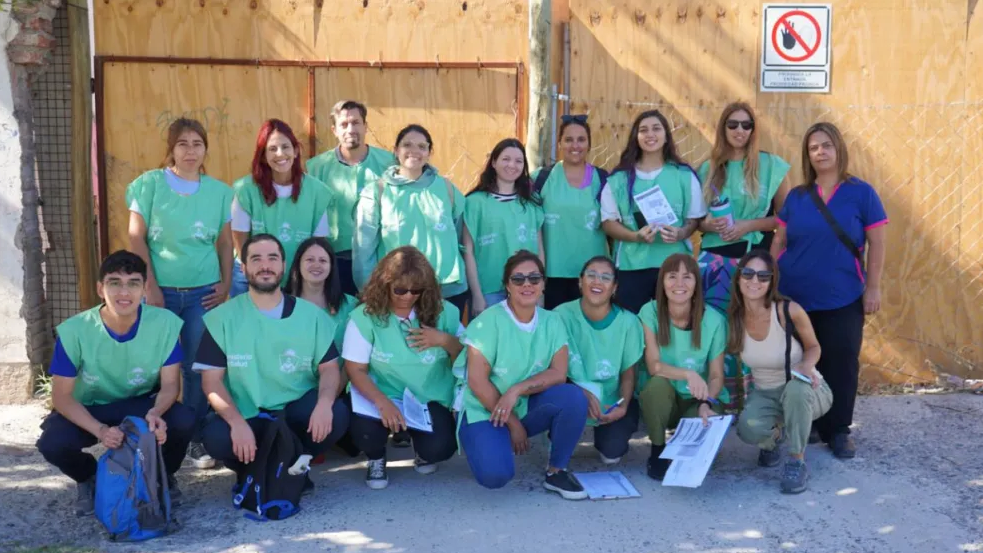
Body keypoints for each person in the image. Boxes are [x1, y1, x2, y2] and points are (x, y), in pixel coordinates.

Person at [36, 251, 193, 517]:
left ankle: (161, 475)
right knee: (52, 443)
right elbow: (62, 397)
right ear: (100, 288)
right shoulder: (75, 330)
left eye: (133, 283)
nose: (124, 291)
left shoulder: (165, 324)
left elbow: (170, 386)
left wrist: (155, 413)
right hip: (93, 406)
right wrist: (100, 430)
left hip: (142, 402)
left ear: (144, 289)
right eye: (114, 282)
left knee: (183, 420)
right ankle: (89, 477)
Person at [771, 122, 888, 459]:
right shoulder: (797, 196)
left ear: (839, 149)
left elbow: (877, 244)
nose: (820, 152)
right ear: (807, 155)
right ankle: (802, 424)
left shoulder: (862, 193)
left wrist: (873, 288)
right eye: (813, 147)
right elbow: (779, 240)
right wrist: (771, 285)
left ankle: (837, 430)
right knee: (796, 362)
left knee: (841, 362)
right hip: (795, 298)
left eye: (826, 145)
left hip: (843, 295)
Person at [196, 234, 350, 488]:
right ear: (244, 268)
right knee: (215, 437)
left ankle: (296, 465)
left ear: (283, 265)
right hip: (250, 413)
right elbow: (211, 383)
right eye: (256, 259)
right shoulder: (222, 318)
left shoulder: (311, 315)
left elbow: (330, 368)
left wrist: (324, 403)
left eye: (272, 258)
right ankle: (253, 470)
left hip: (294, 410)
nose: (265, 266)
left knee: (337, 412)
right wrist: (236, 423)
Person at [125, 117, 233, 471]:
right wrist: (149, 286)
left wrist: (226, 283)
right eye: (183, 143)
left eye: (197, 143)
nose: (190, 151)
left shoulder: (219, 192)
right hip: (161, 292)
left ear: (206, 149)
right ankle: (147, 431)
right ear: (170, 148)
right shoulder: (149, 185)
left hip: (203, 292)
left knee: (196, 367)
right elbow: (136, 237)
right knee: (160, 366)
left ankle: (196, 437)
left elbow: (223, 241)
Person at [458, 250, 589, 500]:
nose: (527, 284)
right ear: (507, 285)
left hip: (523, 403)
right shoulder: (487, 322)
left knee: (572, 397)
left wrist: (516, 390)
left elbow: (559, 374)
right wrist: (513, 424)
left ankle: (556, 471)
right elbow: (477, 381)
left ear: (543, 284)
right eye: (518, 279)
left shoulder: (553, 321)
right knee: (495, 476)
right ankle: (485, 441)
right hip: (486, 410)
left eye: (534, 278)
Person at [342, 246, 463, 488]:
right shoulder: (365, 317)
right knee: (365, 434)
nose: (408, 296)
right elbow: (355, 370)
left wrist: (445, 340)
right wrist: (382, 402)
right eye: (400, 289)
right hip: (382, 394)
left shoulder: (446, 312)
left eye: (416, 290)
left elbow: (467, 358)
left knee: (441, 448)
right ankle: (376, 457)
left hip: (428, 397)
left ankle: (422, 450)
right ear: (385, 284)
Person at [729, 251, 833, 494]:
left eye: (763, 276)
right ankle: (774, 438)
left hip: (806, 390)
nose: (755, 281)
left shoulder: (788, 311)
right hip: (766, 393)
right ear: (738, 277)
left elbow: (814, 346)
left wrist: (806, 366)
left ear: (772, 281)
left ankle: (797, 460)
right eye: (748, 273)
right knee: (747, 428)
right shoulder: (735, 318)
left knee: (796, 391)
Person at [352, 124, 469, 314]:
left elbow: (460, 236)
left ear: (430, 152)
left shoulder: (447, 188)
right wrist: (368, 292)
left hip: (446, 291)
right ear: (396, 150)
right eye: (407, 145)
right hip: (399, 293)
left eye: (422, 147)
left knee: (444, 343)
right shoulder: (377, 191)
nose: (414, 151)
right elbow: (363, 250)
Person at [600, 110, 707, 313]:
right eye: (643, 130)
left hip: (675, 267)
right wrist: (635, 236)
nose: (650, 134)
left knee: (672, 325)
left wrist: (681, 233)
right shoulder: (619, 179)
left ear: (666, 135)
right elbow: (608, 222)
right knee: (633, 326)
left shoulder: (683, 175)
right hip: (632, 266)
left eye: (656, 129)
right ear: (636, 137)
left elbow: (695, 218)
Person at [637, 253, 727, 481]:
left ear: (697, 283)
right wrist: (688, 374)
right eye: (672, 276)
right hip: (665, 398)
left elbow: (716, 375)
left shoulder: (714, 320)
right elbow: (654, 366)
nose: (679, 284)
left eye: (687, 277)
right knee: (656, 384)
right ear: (662, 282)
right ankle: (657, 450)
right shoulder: (650, 311)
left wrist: (707, 402)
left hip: (696, 400)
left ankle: (685, 442)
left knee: (701, 452)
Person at [554, 256, 644, 465]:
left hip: (611, 401)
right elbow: (552, 369)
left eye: (605, 278)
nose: (597, 282)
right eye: (591, 275)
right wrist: (579, 394)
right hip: (571, 397)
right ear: (580, 281)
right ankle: (558, 434)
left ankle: (609, 433)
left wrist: (623, 405)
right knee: (561, 451)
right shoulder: (560, 315)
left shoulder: (628, 322)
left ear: (614, 287)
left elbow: (629, 372)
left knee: (612, 455)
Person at [229, 119, 334, 296]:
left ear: (295, 151)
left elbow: (318, 244)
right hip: (253, 275)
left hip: (298, 276)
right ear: (263, 155)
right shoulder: (245, 190)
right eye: (272, 149)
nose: (280, 154)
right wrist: (258, 276)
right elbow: (240, 241)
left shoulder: (317, 192)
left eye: (285, 147)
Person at [306, 100, 396, 296]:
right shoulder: (315, 168)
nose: (350, 129)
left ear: (366, 126)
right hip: (333, 260)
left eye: (356, 122)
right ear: (334, 130)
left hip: (379, 259)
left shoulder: (389, 164)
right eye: (344, 124)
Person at [284, 236, 362, 459]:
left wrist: (329, 399)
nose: (316, 265)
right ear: (297, 265)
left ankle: (314, 442)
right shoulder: (281, 303)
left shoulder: (350, 306)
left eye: (323, 260)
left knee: (356, 441)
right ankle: (297, 448)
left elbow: (352, 360)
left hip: (337, 387)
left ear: (332, 267)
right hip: (293, 390)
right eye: (309, 259)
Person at [532, 115, 610, 309]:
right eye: (568, 139)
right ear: (559, 143)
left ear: (589, 145)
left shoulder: (603, 180)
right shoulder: (541, 178)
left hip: (593, 277)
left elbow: (615, 225)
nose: (575, 145)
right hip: (552, 274)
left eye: (581, 139)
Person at [463, 138, 545, 315]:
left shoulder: (532, 203)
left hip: (527, 288)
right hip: (489, 291)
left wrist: (541, 290)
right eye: (506, 159)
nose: (512, 165)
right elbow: (468, 251)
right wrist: (477, 294)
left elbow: (539, 249)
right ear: (493, 162)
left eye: (518, 161)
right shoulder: (474, 203)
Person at [698, 103, 791, 257]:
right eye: (732, 125)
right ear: (723, 129)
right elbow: (696, 221)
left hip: (757, 256)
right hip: (714, 257)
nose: (739, 130)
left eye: (746, 125)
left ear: (753, 130)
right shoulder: (707, 168)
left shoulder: (772, 166)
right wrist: (709, 225)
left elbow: (785, 218)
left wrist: (748, 226)